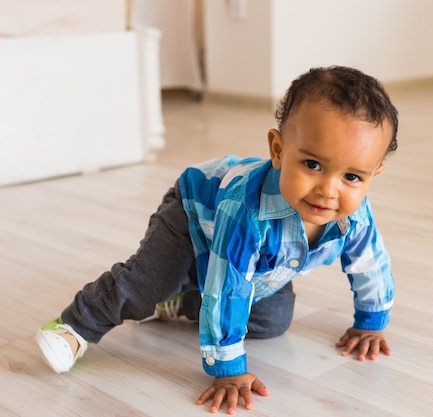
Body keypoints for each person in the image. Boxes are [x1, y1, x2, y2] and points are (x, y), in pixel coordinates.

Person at [35, 65, 398, 414]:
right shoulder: (246, 211)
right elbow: (229, 288)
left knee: (272, 322)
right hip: (196, 212)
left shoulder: (355, 215)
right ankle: (76, 326)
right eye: (313, 165)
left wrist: (371, 320)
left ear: (373, 174)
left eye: (351, 176)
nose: (329, 190)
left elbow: (369, 262)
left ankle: (179, 303)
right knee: (150, 282)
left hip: (249, 260)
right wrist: (228, 369)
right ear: (278, 149)